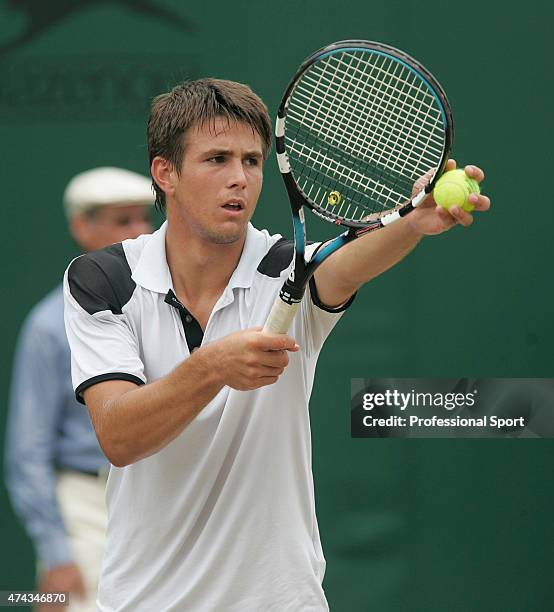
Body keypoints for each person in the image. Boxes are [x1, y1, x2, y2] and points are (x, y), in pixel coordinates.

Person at [63, 79, 490, 611]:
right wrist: (213, 366)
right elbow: (120, 437)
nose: (239, 178)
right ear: (165, 172)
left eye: (252, 160)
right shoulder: (102, 280)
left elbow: (352, 262)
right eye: (217, 159)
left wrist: (413, 223)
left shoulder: (292, 268)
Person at [5, 167, 155, 612]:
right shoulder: (47, 326)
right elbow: (27, 450)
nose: (138, 232)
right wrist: (56, 554)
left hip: (156, 498)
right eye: (122, 221)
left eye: (143, 219)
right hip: (86, 510)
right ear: (82, 227)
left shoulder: (162, 308)